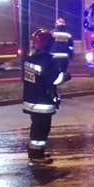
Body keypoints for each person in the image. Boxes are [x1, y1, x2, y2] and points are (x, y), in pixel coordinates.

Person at [22, 28, 65, 164]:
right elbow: (54, 80)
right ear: (48, 44)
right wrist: (65, 76)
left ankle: (36, 152)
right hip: (43, 101)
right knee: (41, 130)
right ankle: (36, 156)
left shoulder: (30, 59)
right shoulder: (48, 61)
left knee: (36, 127)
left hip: (31, 99)